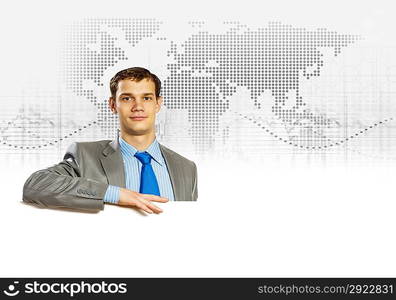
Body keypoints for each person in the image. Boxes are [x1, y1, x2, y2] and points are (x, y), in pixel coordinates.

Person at [22, 67, 198, 214]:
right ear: (113, 105)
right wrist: (114, 194)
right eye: (127, 98)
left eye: (147, 98)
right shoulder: (85, 156)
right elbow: (35, 185)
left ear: (158, 104)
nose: (138, 107)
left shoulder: (186, 168)